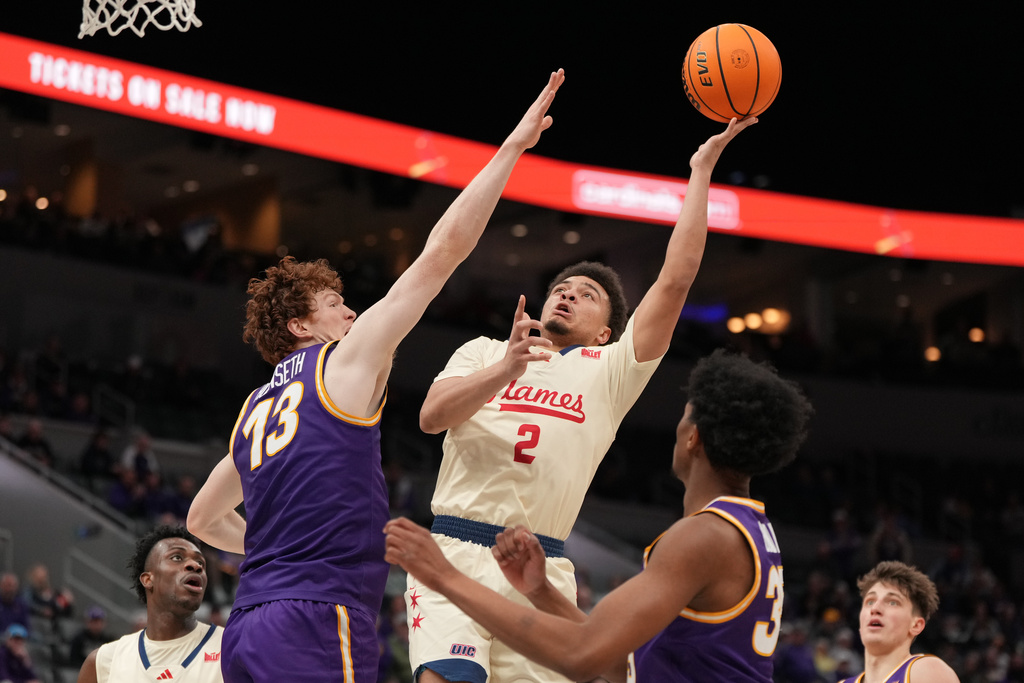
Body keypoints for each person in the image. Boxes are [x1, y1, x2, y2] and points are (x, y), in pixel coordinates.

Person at [186, 69, 567, 683]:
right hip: (317, 615)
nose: (351, 311)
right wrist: (512, 149)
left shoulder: (255, 407)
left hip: (248, 624)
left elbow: (202, 520)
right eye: (334, 303)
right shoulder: (344, 362)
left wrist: (273, 554)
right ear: (300, 326)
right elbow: (442, 253)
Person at [407, 116, 757, 683]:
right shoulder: (484, 350)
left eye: (586, 295)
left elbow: (676, 279)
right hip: (456, 548)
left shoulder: (612, 370)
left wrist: (700, 171)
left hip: (539, 566)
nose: (568, 294)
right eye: (560, 289)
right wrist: (506, 368)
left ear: (605, 332)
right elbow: (430, 418)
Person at [385, 348, 813, 683]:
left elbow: (581, 656)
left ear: (693, 438)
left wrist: (444, 576)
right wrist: (543, 594)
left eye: (684, 419)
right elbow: (622, 665)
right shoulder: (752, 529)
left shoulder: (702, 538)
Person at [75, 525, 224, 683]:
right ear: (148, 579)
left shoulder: (231, 646)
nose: (196, 566)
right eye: (177, 557)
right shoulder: (103, 662)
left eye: (201, 562)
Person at [838, 561, 959, 683]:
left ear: (916, 625)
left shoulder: (926, 671)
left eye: (892, 602)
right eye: (870, 601)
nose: (875, 609)